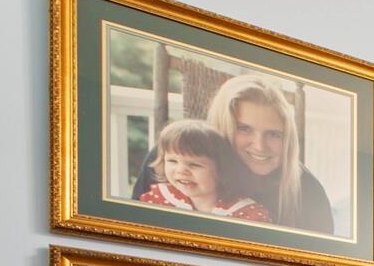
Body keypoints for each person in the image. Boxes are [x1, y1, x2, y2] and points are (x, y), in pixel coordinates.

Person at [133, 74, 334, 235]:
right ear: (222, 126)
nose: (260, 146)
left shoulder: (307, 189)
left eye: (274, 134)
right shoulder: (173, 160)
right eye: (244, 129)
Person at [137, 120, 272, 221]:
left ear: (221, 169)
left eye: (194, 165)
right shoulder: (158, 199)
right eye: (172, 161)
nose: (181, 170)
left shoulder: (246, 214)